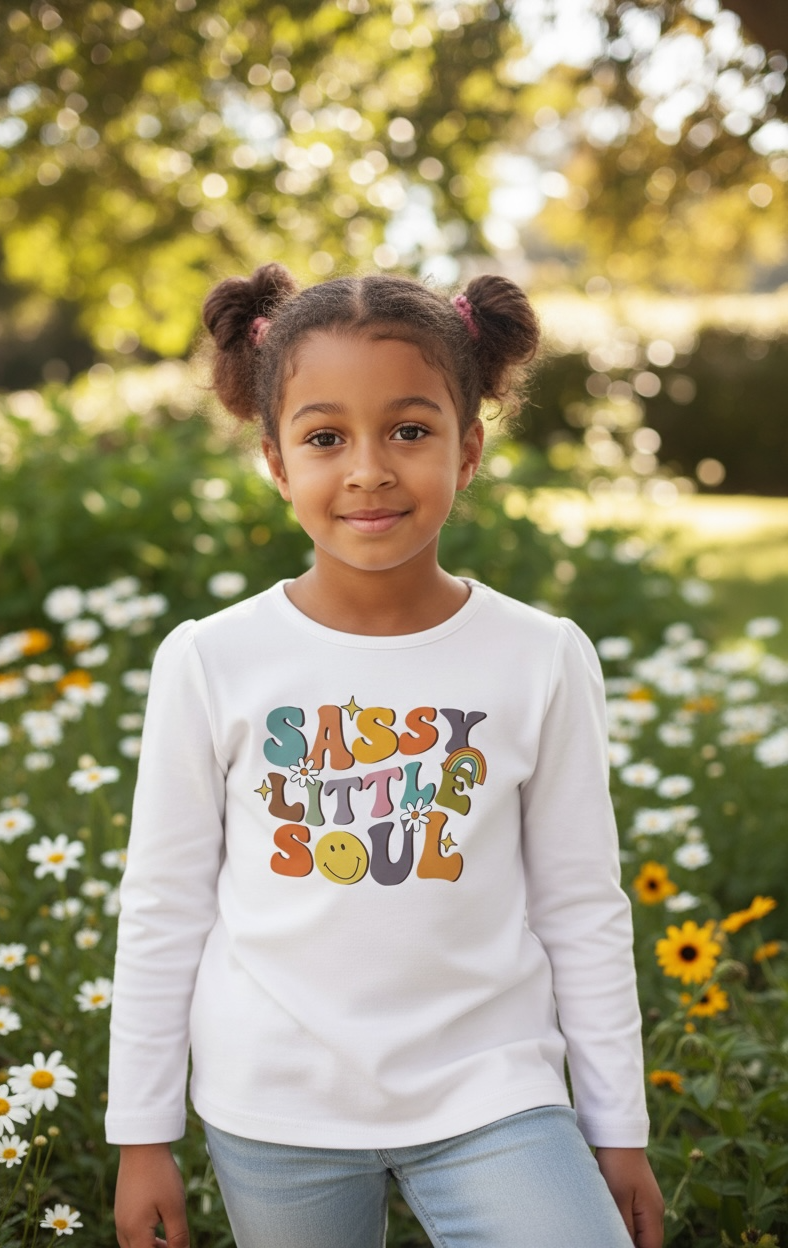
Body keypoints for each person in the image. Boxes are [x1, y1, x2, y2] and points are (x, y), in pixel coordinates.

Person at [107, 263, 665, 1248]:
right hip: (275, 1104)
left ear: (469, 447)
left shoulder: (539, 657)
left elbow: (581, 907)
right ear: (277, 462)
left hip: (492, 1091)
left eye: (409, 430)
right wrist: (142, 1135)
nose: (367, 468)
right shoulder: (210, 660)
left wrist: (618, 1130)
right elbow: (164, 905)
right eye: (325, 438)